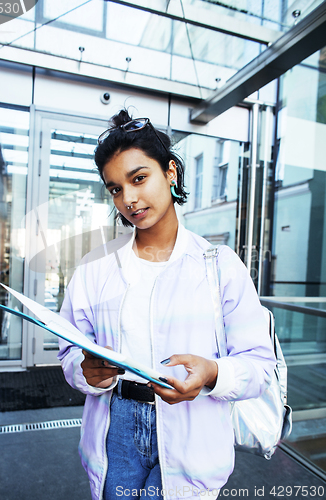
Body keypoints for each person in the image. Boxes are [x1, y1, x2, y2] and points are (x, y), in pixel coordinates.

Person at [58, 110, 276, 500]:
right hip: (116, 427)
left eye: (139, 178)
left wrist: (212, 372)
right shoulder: (96, 268)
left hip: (193, 429)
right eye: (115, 189)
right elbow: (70, 350)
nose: (128, 198)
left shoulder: (220, 265)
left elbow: (260, 367)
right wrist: (87, 370)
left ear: (170, 172)